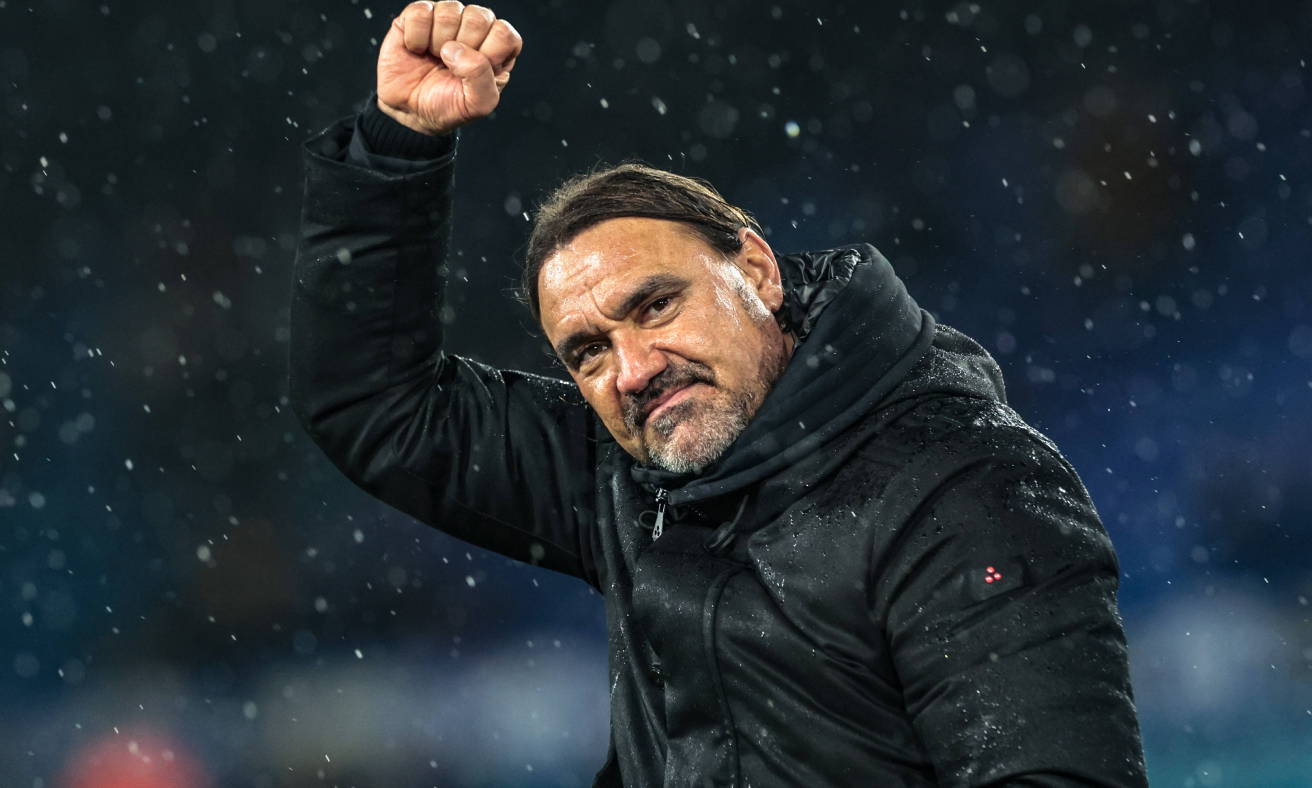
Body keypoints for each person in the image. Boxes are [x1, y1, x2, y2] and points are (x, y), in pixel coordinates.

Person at [288, 2, 1149, 785]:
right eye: (588, 352)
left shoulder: (961, 484)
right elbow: (375, 404)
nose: (634, 368)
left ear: (759, 271)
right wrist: (399, 142)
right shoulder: (624, 473)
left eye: (657, 305)